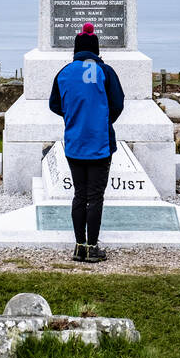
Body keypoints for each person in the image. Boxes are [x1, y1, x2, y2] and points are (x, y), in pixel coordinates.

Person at [49, 22, 124, 263]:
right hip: (100, 142)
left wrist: (73, 117)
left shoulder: (64, 73)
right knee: (96, 196)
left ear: (75, 50)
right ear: (96, 50)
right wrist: (102, 120)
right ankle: (93, 247)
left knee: (80, 195)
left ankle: (79, 246)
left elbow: (54, 105)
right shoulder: (106, 72)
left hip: (74, 142)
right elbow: (117, 103)